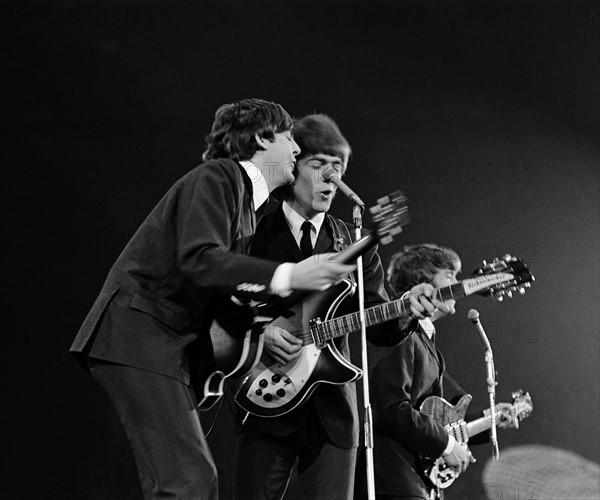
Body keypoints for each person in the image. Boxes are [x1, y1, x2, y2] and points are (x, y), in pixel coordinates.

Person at [69, 99, 358, 500]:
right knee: (188, 482)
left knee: (188, 481)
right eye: (289, 138)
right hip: (140, 333)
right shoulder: (220, 176)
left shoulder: (243, 207)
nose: (296, 149)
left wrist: (249, 340)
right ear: (260, 138)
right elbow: (200, 260)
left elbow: (219, 293)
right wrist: (290, 274)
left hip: (155, 342)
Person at [231, 115, 444, 500]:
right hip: (265, 402)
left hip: (333, 415)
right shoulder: (252, 232)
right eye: (319, 165)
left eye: (339, 168)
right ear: (292, 168)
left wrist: (408, 311)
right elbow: (223, 302)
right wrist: (262, 334)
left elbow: (378, 323)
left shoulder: (355, 242)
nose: (332, 178)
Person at [357, 243, 518, 500]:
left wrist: (490, 419)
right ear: (424, 283)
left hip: (414, 482)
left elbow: (432, 418)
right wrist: (447, 444)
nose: (458, 284)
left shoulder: (423, 339)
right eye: (450, 275)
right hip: (394, 482)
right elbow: (390, 409)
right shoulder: (398, 334)